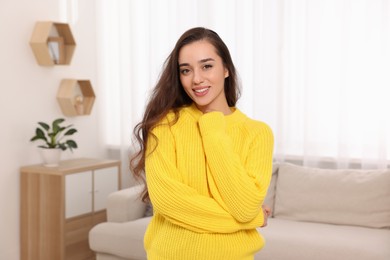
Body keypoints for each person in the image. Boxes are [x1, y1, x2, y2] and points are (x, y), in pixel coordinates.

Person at [131, 27, 274, 260]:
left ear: (226, 68)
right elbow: (169, 202)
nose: (196, 79)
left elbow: (244, 206)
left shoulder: (258, 133)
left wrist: (212, 126)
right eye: (186, 70)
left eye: (207, 66)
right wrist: (254, 219)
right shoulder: (165, 124)